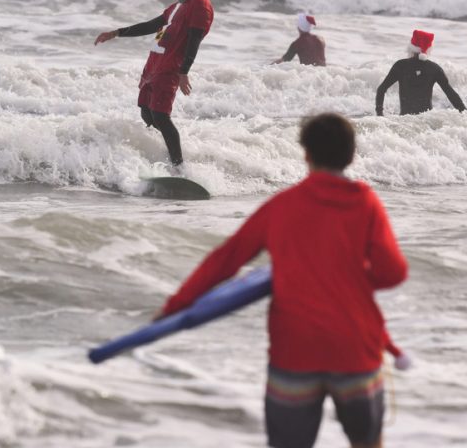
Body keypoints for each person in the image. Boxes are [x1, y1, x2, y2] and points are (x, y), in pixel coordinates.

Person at [158, 112, 408, 448]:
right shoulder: (365, 204)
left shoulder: (282, 206)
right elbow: (394, 272)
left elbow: (225, 260)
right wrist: (349, 279)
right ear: (350, 156)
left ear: (306, 154)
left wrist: (177, 305)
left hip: (295, 350)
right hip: (354, 347)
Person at [94, 0, 213, 167]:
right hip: (154, 66)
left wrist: (184, 72)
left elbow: (194, 40)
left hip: (170, 68)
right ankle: (166, 152)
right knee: (146, 111)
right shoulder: (175, 7)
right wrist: (117, 33)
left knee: (161, 115)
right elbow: (151, 25)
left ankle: (178, 165)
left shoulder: (200, 5)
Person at [375, 30, 466, 116]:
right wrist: (466, 115)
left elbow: (381, 89)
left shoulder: (400, 66)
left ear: (411, 48)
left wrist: (380, 115)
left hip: (405, 121)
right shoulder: (434, 68)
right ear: (429, 49)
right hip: (426, 121)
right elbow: (451, 94)